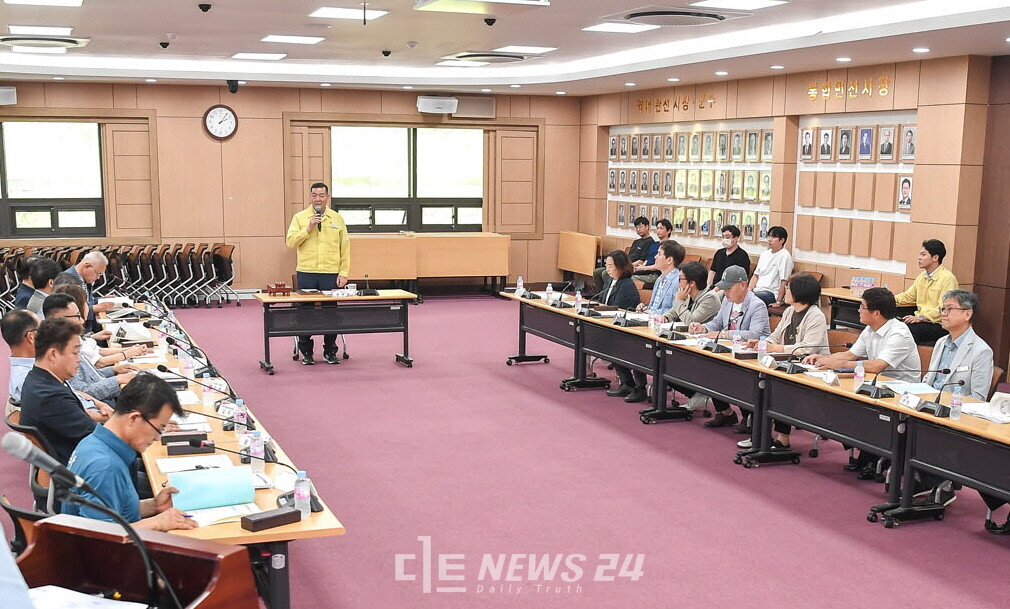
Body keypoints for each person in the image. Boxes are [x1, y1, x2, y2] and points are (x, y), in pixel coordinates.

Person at [804, 287, 921, 479]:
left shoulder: (899, 333)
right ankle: (867, 453)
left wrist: (840, 363)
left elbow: (877, 366)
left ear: (876, 313)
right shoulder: (871, 328)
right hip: (876, 385)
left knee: (861, 409)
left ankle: (876, 457)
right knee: (842, 403)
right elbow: (851, 354)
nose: (858, 310)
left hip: (900, 391)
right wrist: (824, 358)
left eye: (862, 307)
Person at [64, 374, 199, 532]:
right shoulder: (105, 467)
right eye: (159, 429)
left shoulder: (94, 442)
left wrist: (154, 505)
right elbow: (100, 538)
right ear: (134, 418)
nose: (156, 438)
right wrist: (156, 523)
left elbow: (116, 512)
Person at [919, 290, 994, 508]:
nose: (943, 313)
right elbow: (928, 381)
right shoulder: (942, 342)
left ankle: (939, 481)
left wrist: (945, 404)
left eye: (949, 309)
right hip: (928, 406)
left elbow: (978, 399)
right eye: (943, 309)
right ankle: (922, 478)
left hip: (955, 415)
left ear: (967, 314)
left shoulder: (981, 351)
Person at [737, 273, 829, 450]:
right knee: (759, 384)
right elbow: (775, 337)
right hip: (786, 364)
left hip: (809, 368)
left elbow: (807, 349)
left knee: (777, 389)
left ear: (799, 292)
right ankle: (758, 434)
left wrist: (775, 349)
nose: (785, 290)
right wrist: (763, 343)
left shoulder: (815, 316)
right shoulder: (789, 311)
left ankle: (782, 438)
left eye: (789, 288)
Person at [682, 266, 770, 424]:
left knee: (730, 376)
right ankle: (726, 412)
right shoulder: (727, 302)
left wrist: (724, 334)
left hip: (752, 356)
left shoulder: (757, 305)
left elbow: (754, 334)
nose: (726, 292)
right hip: (727, 351)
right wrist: (704, 328)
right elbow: (718, 322)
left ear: (743, 285)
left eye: (729, 288)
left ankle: (749, 416)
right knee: (710, 369)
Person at [286, 182, 351, 365]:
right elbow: (290, 242)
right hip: (307, 272)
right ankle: (306, 351)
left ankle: (330, 351)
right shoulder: (300, 217)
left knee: (331, 312)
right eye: (314, 195)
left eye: (321, 195)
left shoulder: (337, 219)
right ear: (310, 197)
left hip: (330, 273)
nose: (318, 199)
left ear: (327, 198)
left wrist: (344, 272)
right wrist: (308, 229)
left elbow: (345, 248)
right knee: (305, 312)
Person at [18, 319, 98, 465]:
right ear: (54, 354)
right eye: (75, 352)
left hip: (84, 460)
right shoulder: (51, 397)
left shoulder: (38, 379)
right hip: (86, 471)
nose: (79, 359)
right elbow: (99, 438)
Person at [44, 293, 136, 406]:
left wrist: (114, 370)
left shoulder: (70, 340)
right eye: (77, 316)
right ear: (60, 319)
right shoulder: (60, 350)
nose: (82, 321)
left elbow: (91, 376)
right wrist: (117, 380)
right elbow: (82, 392)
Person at [597, 251, 647, 402]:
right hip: (612, 325)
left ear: (620, 267)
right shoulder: (609, 280)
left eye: (611, 266)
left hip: (628, 328)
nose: (607, 269)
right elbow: (601, 300)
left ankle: (639, 386)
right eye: (606, 265)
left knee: (618, 344)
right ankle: (627, 383)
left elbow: (618, 308)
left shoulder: (626, 285)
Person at [894, 239, 958, 345]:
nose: (919, 258)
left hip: (938, 324)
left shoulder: (948, 278)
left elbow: (945, 308)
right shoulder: (922, 276)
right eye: (920, 254)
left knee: (906, 331)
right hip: (920, 320)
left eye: (923, 255)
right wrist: (888, 299)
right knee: (892, 325)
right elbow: (909, 296)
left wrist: (921, 317)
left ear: (935, 258)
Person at [593, 216, 654, 292]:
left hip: (631, 268)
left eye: (640, 227)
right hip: (624, 265)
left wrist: (628, 266)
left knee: (605, 273)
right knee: (597, 272)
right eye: (636, 228)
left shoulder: (650, 242)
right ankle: (601, 296)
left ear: (647, 227)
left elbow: (642, 260)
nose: (638, 230)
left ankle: (610, 295)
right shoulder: (636, 242)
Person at [66, 251, 113, 333]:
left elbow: (87, 301)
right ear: (87, 266)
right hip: (81, 332)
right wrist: (95, 308)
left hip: (91, 328)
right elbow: (70, 313)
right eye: (98, 273)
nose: (98, 277)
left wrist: (101, 300)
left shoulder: (83, 278)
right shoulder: (67, 282)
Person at [662, 261, 721, 326]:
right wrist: (666, 317)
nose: (678, 283)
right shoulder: (690, 293)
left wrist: (679, 301)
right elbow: (676, 310)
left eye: (680, 279)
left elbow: (691, 321)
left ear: (692, 283)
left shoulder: (710, 298)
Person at [636, 240, 684, 315]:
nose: (655, 257)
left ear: (669, 260)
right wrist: (645, 308)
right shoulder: (659, 279)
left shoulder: (678, 281)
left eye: (659, 254)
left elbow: (675, 312)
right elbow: (654, 307)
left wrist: (651, 312)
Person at [749, 226, 793, 305]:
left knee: (751, 298)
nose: (769, 239)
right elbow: (756, 276)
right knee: (735, 295)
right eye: (769, 236)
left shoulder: (785, 256)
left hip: (770, 293)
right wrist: (748, 290)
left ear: (782, 240)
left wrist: (778, 302)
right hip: (757, 290)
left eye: (773, 237)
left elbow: (784, 281)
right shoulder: (764, 254)